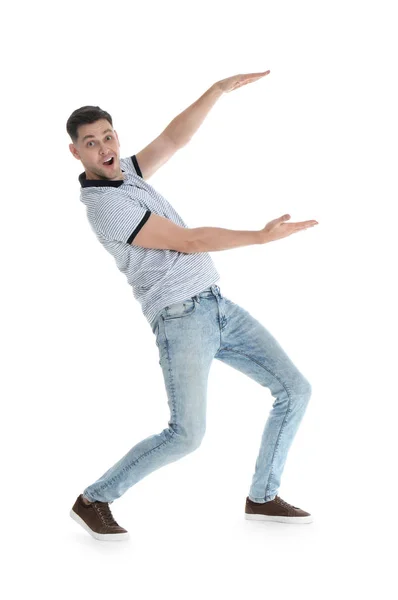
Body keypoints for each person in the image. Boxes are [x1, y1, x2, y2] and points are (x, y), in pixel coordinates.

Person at [66, 71, 319, 541]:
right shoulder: (105, 205)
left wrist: (216, 91)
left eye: (108, 136)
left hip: (217, 306)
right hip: (180, 319)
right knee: (186, 435)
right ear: (76, 152)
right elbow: (189, 240)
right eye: (91, 142)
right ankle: (94, 498)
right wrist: (260, 237)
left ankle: (262, 497)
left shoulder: (128, 175)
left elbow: (172, 139)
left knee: (295, 389)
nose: (104, 147)